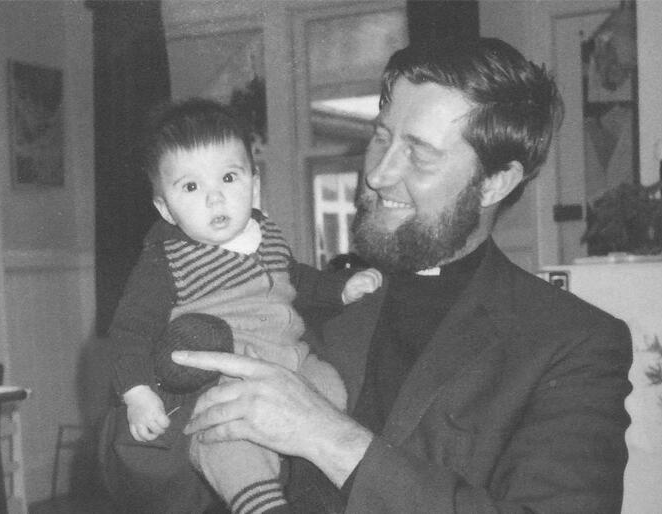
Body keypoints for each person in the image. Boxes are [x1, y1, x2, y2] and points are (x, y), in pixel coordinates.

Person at [172, 37, 634, 513]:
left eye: (420, 153)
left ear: (495, 182)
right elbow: (159, 481)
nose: (378, 173)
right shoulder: (291, 296)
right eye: (381, 137)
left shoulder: (572, 342)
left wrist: (328, 437)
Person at [99, 98, 382, 514]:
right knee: (227, 439)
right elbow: (130, 332)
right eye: (191, 187)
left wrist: (340, 289)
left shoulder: (264, 232)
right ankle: (259, 502)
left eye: (228, 178)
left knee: (336, 393)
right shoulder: (166, 261)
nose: (215, 199)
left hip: (295, 362)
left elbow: (296, 277)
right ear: (165, 208)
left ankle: (317, 482)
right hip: (229, 379)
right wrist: (139, 394)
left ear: (253, 182)